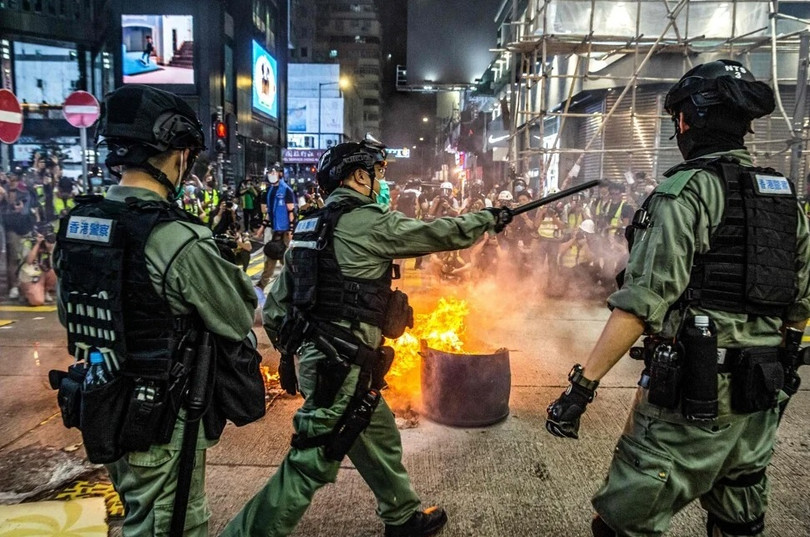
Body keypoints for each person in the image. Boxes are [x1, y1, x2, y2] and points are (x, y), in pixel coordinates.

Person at [545, 59, 810, 537]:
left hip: (693, 398)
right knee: (739, 518)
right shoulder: (785, 198)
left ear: (688, 121)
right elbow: (800, 305)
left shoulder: (683, 194)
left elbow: (641, 303)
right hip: (761, 395)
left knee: (623, 522)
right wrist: (785, 363)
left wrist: (581, 389)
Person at [221, 136, 512, 537]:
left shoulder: (307, 226)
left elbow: (275, 309)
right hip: (343, 368)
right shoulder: (369, 222)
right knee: (310, 461)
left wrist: (293, 354)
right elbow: (438, 234)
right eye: (377, 173)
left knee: (379, 435)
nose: (380, 182)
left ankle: (402, 516)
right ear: (359, 176)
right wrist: (487, 219)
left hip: (327, 364)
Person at [52, 85, 261, 537]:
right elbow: (238, 315)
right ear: (180, 156)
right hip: (160, 419)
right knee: (172, 525)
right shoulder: (177, 238)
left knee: (138, 515)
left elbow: (69, 316)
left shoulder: (78, 224)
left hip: (102, 401)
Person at [257, 163, 296, 290]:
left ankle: (293, 285)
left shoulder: (286, 190)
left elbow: (291, 211)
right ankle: (261, 285)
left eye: (274, 172)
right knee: (271, 257)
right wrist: (262, 228)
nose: (272, 175)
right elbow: (269, 212)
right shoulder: (269, 191)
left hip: (285, 232)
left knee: (286, 260)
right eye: (270, 173)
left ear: (280, 174)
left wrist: (291, 230)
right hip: (275, 230)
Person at [18, 223, 57, 306]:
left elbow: (53, 264)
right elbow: (29, 261)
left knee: (55, 271)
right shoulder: (29, 242)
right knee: (37, 301)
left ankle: (45, 291)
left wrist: (50, 250)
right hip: (30, 272)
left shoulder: (51, 242)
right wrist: (37, 244)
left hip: (43, 271)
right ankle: (24, 292)